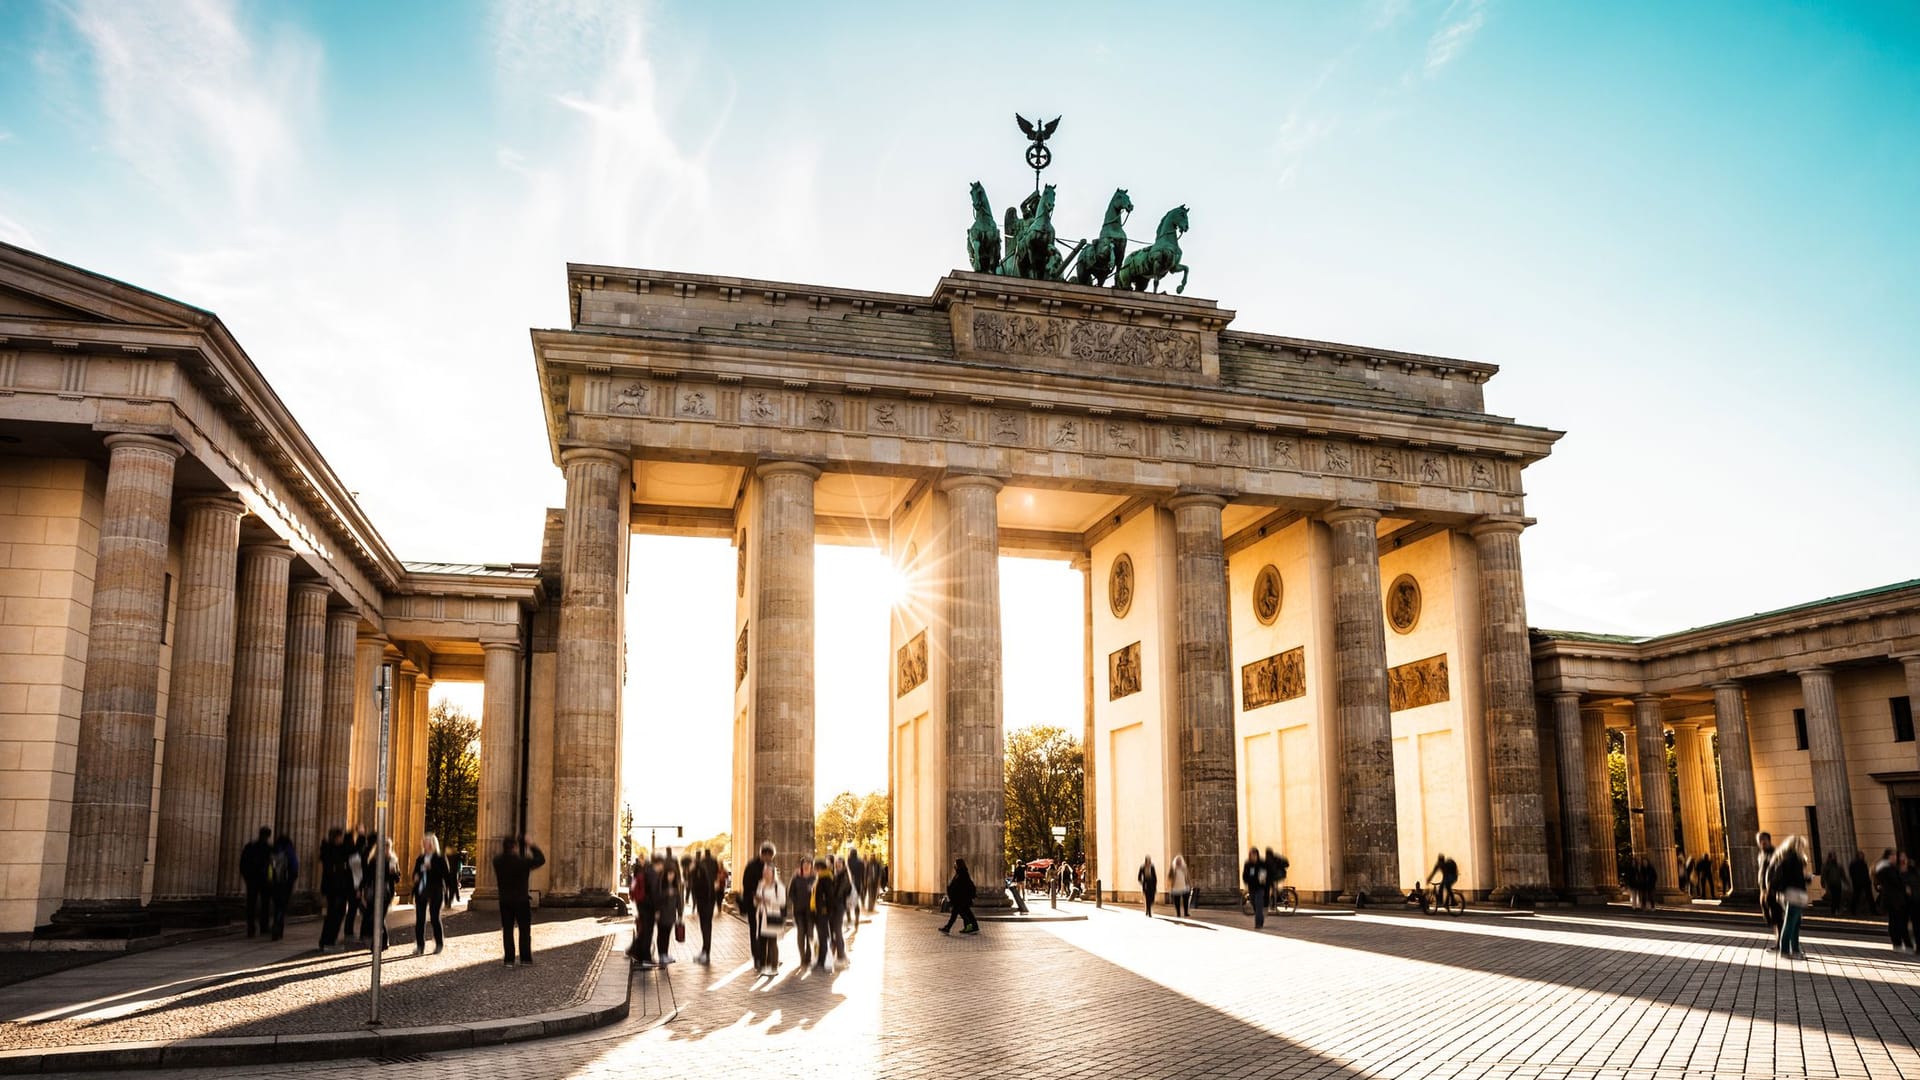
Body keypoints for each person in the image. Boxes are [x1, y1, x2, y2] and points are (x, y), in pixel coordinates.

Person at [493, 835, 545, 966]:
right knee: (524, 930)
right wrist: (531, 845)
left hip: (505, 900)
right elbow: (541, 859)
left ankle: (509, 960)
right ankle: (525, 959)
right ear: (515, 847)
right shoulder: (523, 862)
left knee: (508, 930)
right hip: (521, 900)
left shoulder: (497, 861)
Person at [411, 833, 457, 954]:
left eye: (427, 842)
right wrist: (415, 877)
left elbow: (446, 876)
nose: (425, 844)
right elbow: (415, 874)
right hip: (421, 891)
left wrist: (431, 867)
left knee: (434, 918)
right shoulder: (420, 858)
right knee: (419, 919)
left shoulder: (440, 858)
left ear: (432, 843)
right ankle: (420, 946)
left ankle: (439, 944)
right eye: (424, 842)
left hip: (435, 891)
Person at [1770, 835, 1812, 959]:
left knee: (1794, 922)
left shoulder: (1784, 858)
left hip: (1787, 893)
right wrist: (1807, 879)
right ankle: (1786, 950)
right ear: (1798, 846)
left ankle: (1795, 950)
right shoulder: (1795, 859)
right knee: (1791, 922)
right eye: (1802, 846)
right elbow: (1796, 878)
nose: (1803, 849)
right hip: (1795, 893)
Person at [742, 842, 776, 975]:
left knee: (766, 932)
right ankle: (757, 958)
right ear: (761, 854)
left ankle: (766, 958)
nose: (768, 858)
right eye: (766, 855)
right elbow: (746, 885)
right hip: (753, 904)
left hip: (767, 905)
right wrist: (755, 896)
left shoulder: (771, 866)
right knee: (754, 931)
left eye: (770, 856)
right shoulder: (751, 866)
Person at [318, 827, 353, 952]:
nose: (342, 840)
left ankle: (327, 941)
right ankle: (328, 941)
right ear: (336, 838)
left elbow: (349, 851)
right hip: (336, 889)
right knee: (334, 915)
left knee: (335, 915)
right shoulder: (331, 851)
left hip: (336, 888)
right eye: (341, 837)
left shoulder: (331, 850)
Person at [360, 834, 397, 951]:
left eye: (388, 847)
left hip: (386, 893)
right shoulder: (373, 861)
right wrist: (360, 889)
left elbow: (397, 878)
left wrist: (393, 872)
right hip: (373, 892)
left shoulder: (392, 860)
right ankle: (383, 942)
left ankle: (377, 944)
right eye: (384, 847)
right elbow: (366, 876)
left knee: (379, 917)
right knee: (377, 918)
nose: (386, 849)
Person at [753, 852, 787, 976]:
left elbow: (782, 902)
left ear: (773, 873)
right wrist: (757, 900)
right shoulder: (761, 884)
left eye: (768, 872)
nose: (765, 874)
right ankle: (763, 966)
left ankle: (774, 967)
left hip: (773, 916)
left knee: (772, 942)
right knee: (762, 942)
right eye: (764, 872)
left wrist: (768, 901)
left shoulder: (779, 887)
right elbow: (756, 899)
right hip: (762, 916)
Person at [239, 826, 274, 938]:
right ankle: (263, 926)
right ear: (269, 836)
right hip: (263, 880)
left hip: (253, 879)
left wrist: (246, 876)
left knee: (252, 904)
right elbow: (272, 866)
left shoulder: (250, 847)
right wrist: (271, 879)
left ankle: (251, 928)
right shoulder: (269, 849)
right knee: (264, 904)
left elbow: (243, 863)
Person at [1873, 849, 1911, 951]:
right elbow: (1896, 882)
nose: (1896, 858)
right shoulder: (1887, 869)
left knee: (1897, 921)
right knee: (1897, 921)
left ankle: (1900, 943)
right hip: (1894, 900)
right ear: (1889, 857)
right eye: (1893, 856)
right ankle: (1899, 943)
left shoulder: (1889, 868)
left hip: (1895, 899)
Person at [627, 854, 660, 967]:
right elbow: (654, 894)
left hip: (642, 905)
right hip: (648, 907)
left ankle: (635, 952)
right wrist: (657, 910)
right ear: (659, 864)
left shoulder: (646, 871)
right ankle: (646, 958)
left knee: (643, 931)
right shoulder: (653, 874)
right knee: (647, 933)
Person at [687, 848, 717, 964]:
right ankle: (705, 951)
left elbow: (696, 884)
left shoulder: (700, 869)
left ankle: (706, 952)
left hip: (704, 901)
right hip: (708, 900)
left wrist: (692, 870)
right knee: (706, 926)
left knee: (705, 926)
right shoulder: (711, 863)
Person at [653, 851, 683, 965]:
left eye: (672, 874)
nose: (671, 876)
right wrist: (666, 894)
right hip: (662, 913)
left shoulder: (676, 885)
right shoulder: (661, 884)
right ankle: (661, 955)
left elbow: (679, 901)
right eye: (669, 874)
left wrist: (680, 913)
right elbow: (657, 897)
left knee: (667, 934)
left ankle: (665, 954)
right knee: (662, 935)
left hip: (671, 915)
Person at [267, 831, 298, 940]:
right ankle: (277, 927)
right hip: (285, 883)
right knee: (282, 906)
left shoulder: (273, 851)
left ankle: (276, 925)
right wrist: (291, 880)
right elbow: (294, 868)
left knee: (276, 905)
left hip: (274, 882)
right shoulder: (289, 852)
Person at [788, 856, 816, 969]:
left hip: (811, 911)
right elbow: (790, 892)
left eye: (809, 863)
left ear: (811, 865)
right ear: (801, 865)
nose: (806, 865)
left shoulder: (815, 878)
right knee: (801, 934)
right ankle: (802, 958)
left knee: (810, 933)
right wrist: (796, 901)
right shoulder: (796, 877)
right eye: (804, 863)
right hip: (799, 911)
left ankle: (809, 957)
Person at [940, 858, 979, 934]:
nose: (954, 865)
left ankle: (948, 927)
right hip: (960, 899)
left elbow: (961, 887)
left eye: (955, 864)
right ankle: (974, 926)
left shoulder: (963, 874)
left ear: (959, 865)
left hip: (960, 899)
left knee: (955, 914)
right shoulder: (959, 873)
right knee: (967, 913)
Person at [1756, 831, 1779, 945]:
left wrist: (1773, 887)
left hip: (1773, 888)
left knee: (1776, 915)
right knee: (1767, 912)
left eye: (1764, 840)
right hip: (1763, 888)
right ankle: (1779, 939)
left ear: (1769, 841)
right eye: (1760, 841)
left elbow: (1775, 871)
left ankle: (1780, 941)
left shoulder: (1774, 853)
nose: (1762, 843)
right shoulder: (1761, 854)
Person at [1242, 847, 1270, 929]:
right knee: (1254, 904)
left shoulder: (1262, 864)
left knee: (1258, 905)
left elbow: (1264, 876)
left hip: (1260, 888)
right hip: (1252, 888)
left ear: (1257, 855)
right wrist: (1247, 882)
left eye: (1254, 855)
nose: (1253, 857)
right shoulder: (1248, 864)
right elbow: (1245, 875)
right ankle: (1260, 916)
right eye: (1251, 855)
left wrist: (1263, 882)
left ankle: (1258, 924)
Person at [1850, 850, 1877, 916]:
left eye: (1862, 855)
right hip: (1858, 882)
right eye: (1861, 855)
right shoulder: (1854, 864)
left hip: (1865, 882)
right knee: (1856, 896)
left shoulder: (1863, 863)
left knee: (1869, 897)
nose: (1862, 857)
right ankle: (1852, 910)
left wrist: (1868, 880)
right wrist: (1855, 881)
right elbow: (1852, 874)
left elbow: (1866, 873)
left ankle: (1873, 911)